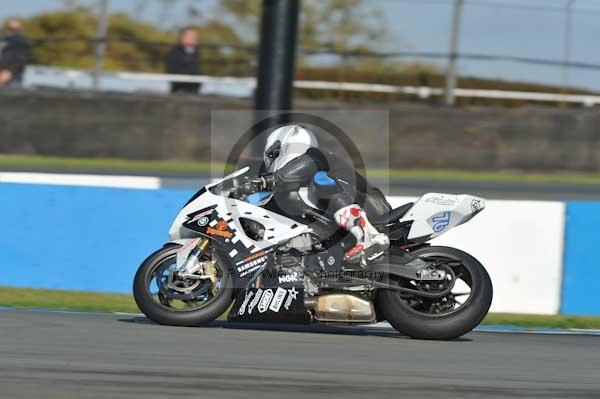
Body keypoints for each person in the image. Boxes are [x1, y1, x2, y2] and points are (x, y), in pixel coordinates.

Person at [253, 125, 390, 264]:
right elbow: (263, 202)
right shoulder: (290, 188)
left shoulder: (318, 158)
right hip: (354, 219)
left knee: (320, 179)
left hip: (377, 207)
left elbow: (288, 174)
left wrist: (265, 181)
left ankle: (368, 235)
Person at [165, 27, 201, 94]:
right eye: (191, 36)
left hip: (194, 92)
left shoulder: (195, 52)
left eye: (196, 37)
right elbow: (171, 72)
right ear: (182, 37)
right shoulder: (174, 53)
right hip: (180, 93)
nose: (195, 39)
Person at [0, 19, 31, 87]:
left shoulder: (21, 42)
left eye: (15, 29)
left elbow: (21, 59)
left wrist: (10, 72)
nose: (12, 30)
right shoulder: (4, 40)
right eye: (10, 28)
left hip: (13, 78)